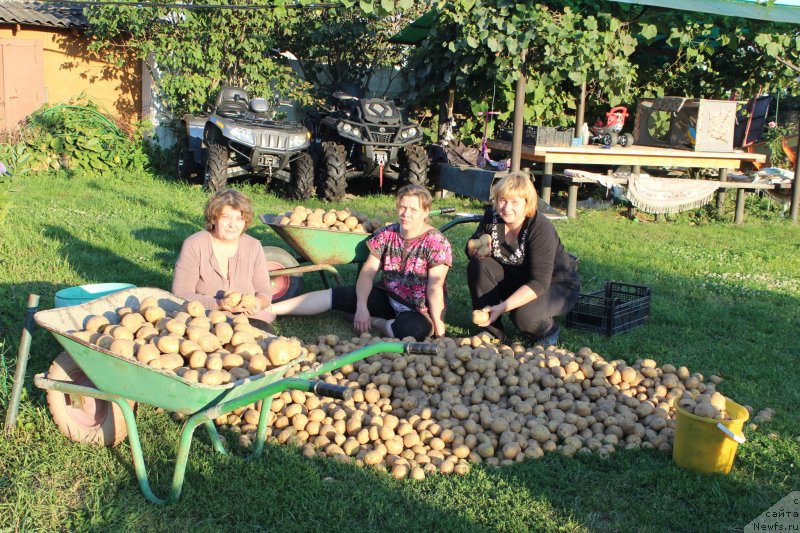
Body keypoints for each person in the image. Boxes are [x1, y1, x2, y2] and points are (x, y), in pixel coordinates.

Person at [272, 184, 452, 341]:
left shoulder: (436, 242)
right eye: (402, 208)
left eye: (413, 210)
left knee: (415, 331)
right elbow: (367, 273)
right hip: (389, 297)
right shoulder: (388, 234)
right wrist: (361, 307)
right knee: (339, 295)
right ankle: (272, 309)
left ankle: (378, 322)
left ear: (426, 212)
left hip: (419, 309)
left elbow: (434, 288)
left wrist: (440, 332)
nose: (406, 214)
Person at [467, 172, 580, 346]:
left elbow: (539, 282)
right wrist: (473, 249)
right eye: (502, 200)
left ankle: (548, 330)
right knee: (479, 265)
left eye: (514, 202)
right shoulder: (492, 218)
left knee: (523, 316)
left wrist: (504, 306)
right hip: (517, 278)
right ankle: (492, 331)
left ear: (527, 204)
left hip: (554, 284)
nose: (506, 208)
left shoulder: (540, 228)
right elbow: (474, 247)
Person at [172, 188, 276, 325]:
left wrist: (259, 302)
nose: (233, 225)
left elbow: (264, 291)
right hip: (204, 316)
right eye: (226, 217)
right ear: (214, 218)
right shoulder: (194, 244)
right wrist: (218, 304)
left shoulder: (254, 246)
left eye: (239, 219)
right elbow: (180, 293)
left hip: (245, 319)